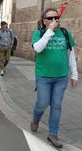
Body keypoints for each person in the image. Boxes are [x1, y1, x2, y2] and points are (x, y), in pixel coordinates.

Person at [30, 8, 78, 149]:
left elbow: (71, 54)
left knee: (56, 106)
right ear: (44, 21)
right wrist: (49, 31)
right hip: (43, 76)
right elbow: (38, 48)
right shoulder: (39, 33)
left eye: (55, 17)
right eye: (50, 18)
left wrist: (74, 74)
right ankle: (36, 117)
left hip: (61, 77)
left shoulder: (65, 33)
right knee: (43, 103)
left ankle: (53, 134)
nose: (53, 20)